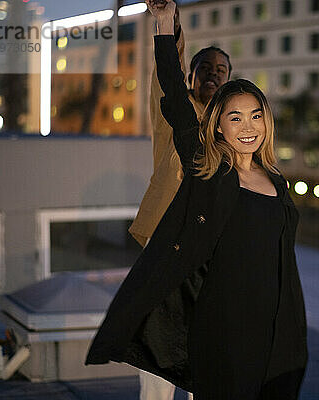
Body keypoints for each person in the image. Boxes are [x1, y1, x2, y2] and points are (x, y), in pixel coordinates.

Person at [85, 1, 308, 399]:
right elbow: (171, 90)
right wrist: (166, 23)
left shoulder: (276, 181)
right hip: (198, 279)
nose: (247, 126)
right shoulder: (209, 166)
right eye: (236, 118)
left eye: (255, 116)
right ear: (218, 124)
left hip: (264, 318)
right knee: (170, 370)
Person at [128, 2, 231, 398]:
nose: (212, 75)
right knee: (158, 345)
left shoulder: (230, 129)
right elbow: (166, 72)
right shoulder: (174, 110)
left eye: (221, 70)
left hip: (211, 250)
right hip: (167, 241)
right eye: (205, 68)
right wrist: (166, 22)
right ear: (190, 73)